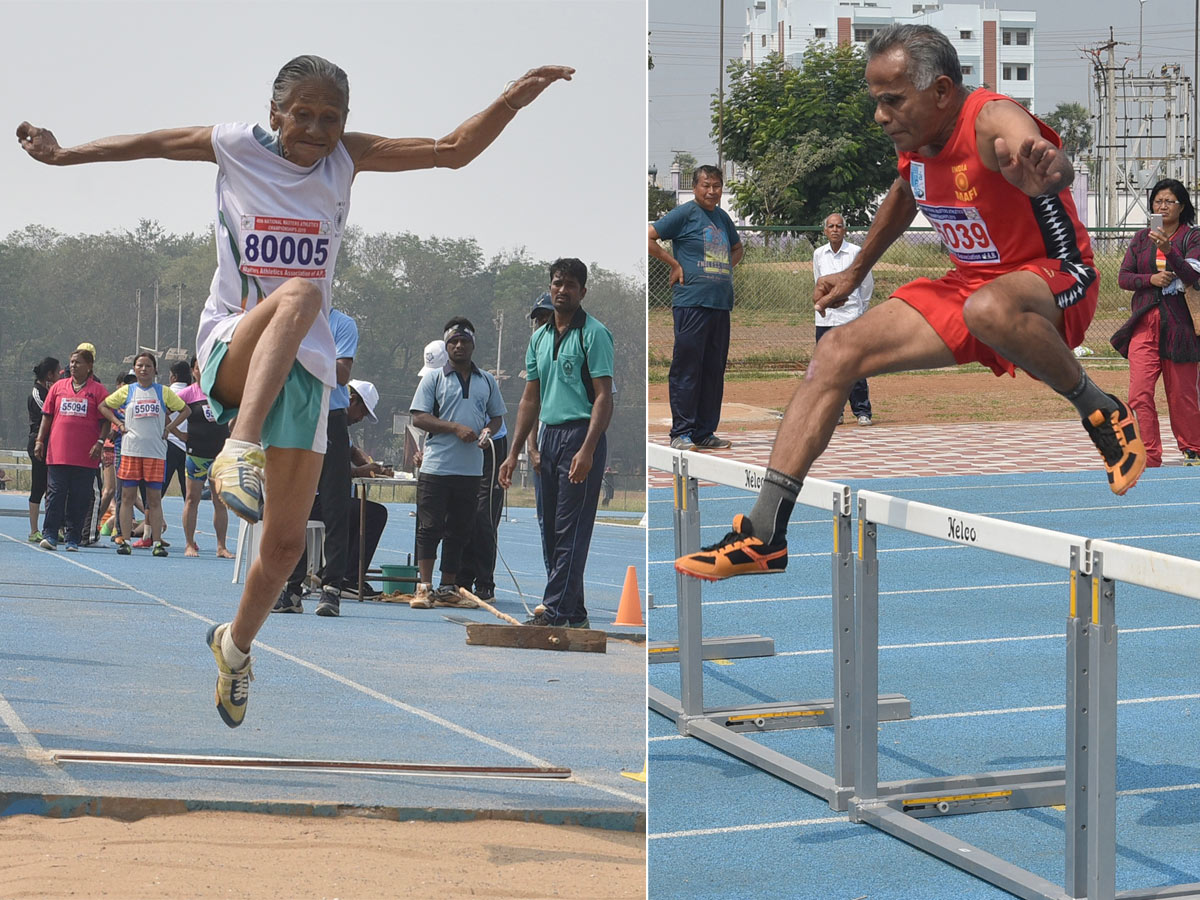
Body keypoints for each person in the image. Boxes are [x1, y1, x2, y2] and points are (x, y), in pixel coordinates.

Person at [19, 55, 572, 728]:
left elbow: (452, 151)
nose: (314, 128)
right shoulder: (234, 145)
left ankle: (235, 645)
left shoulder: (347, 158)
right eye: (301, 114)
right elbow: (151, 143)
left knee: (283, 547)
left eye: (330, 118)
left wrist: (512, 98)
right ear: (275, 112)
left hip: (304, 368)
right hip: (233, 340)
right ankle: (238, 447)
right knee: (300, 293)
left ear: (346, 122)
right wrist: (64, 153)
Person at [675, 24, 1146, 582]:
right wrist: (854, 272)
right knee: (836, 353)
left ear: (942, 91)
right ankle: (764, 534)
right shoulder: (915, 147)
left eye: (892, 100)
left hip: (1055, 278)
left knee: (988, 310)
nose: (880, 115)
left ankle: (1102, 409)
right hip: (971, 284)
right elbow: (904, 196)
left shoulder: (986, 118)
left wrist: (1047, 164)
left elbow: (1030, 144)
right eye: (876, 101)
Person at [499, 258, 614, 628]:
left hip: (581, 435)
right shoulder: (539, 338)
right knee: (549, 527)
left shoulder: (593, 333)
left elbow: (603, 397)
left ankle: (555, 610)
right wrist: (514, 451)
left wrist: (589, 449)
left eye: (570, 285)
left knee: (571, 529)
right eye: (556, 283)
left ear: (583, 291)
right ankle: (574, 610)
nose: (562, 290)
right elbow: (530, 399)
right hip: (548, 437)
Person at [409, 317, 506, 609]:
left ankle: (448, 586)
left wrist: (488, 430)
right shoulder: (434, 379)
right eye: (453, 341)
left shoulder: (486, 380)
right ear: (447, 344)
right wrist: (454, 428)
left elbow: (497, 415)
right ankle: (425, 586)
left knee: (460, 529)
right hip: (437, 466)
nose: (459, 346)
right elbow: (419, 416)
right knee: (429, 527)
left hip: (471, 469)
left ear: (473, 343)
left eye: (464, 340)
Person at [648, 164, 743, 452]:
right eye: (706, 185)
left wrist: (723, 268)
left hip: (719, 304)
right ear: (695, 187)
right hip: (691, 303)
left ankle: (704, 432)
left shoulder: (723, 217)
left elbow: (737, 248)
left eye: (717, 186)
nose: (712, 191)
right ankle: (682, 432)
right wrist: (675, 264)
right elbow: (649, 236)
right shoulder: (685, 213)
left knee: (713, 369)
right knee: (688, 368)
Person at [274, 307, 360, 616]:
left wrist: (296, 357)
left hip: (330, 418)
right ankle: (292, 588)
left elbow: (341, 374)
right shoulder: (289, 318)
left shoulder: (342, 324)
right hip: (294, 417)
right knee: (293, 507)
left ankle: (331, 588)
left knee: (336, 507)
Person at [1111, 178, 1200, 466]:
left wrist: (1169, 249)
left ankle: (1192, 448)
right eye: (1158, 201)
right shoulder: (1140, 239)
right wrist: (1149, 279)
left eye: (1168, 201)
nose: (1162, 206)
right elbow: (1124, 277)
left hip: (1180, 327)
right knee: (1138, 393)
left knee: (1182, 394)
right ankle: (1149, 455)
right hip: (1144, 324)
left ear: (1182, 206)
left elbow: (1191, 276)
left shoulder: (1192, 237)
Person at [100, 352, 189, 557]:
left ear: (155, 370)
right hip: (131, 451)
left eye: (148, 366)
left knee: (154, 499)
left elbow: (185, 410)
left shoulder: (163, 392)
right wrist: (120, 424)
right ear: (135, 368)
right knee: (127, 497)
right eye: (140, 365)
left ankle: (156, 542)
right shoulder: (127, 391)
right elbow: (103, 406)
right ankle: (125, 541)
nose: (143, 369)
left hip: (155, 453)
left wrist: (170, 429)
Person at [33, 348, 110, 551]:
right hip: (58, 453)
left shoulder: (98, 390)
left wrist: (100, 443)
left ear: (89, 366)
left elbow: (106, 421)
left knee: (79, 498)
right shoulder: (58, 388)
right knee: (56, 494)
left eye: (78, 362)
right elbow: (47, 416)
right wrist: (40, 440)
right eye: (72, 362)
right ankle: (50, 534)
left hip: (85, 457)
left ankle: (73, 538)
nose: (73, 365)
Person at [813, 213, 875, 426]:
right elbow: (818, 284)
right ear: (825, 231)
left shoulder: (855, 253)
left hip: (850, 317)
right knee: (828, 367)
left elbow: (866, 285)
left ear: (845, 230)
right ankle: (834, 412)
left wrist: (860, 308)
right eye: (831, 226)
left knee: (854, 365)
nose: (835, 229)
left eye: (839, 226)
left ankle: (862, 411)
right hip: (826, 319)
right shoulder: (819, 254)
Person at [176, 357, 233, 558]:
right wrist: (176, 433)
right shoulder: (188, 393)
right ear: (193, 371)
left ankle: (221, 546)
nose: (203, 371)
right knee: (192, 499)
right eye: (199, 368)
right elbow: (165, 411)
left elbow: (235, 414)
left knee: (220, 501)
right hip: (196, 455)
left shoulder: (221, 392)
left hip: (219, 457)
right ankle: (189, 544)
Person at [27, 356, 59, 543]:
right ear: (49, 374)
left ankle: (52, 528)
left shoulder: (49, 391)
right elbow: (49, 413)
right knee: (38, 486)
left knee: (53, 488)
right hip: (38, 443)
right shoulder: (37, 393)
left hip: (52, 444)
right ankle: (34, 530)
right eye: (58, 371)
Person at [163, 359, 192, 500]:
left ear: (173, 377)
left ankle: (151, 521)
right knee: (189, 494)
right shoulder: (195, 393)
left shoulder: (167, 393)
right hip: (189, 446)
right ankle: (190, 522)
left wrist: (174, 432)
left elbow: (163, 415)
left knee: (159, 490)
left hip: (170, 444)